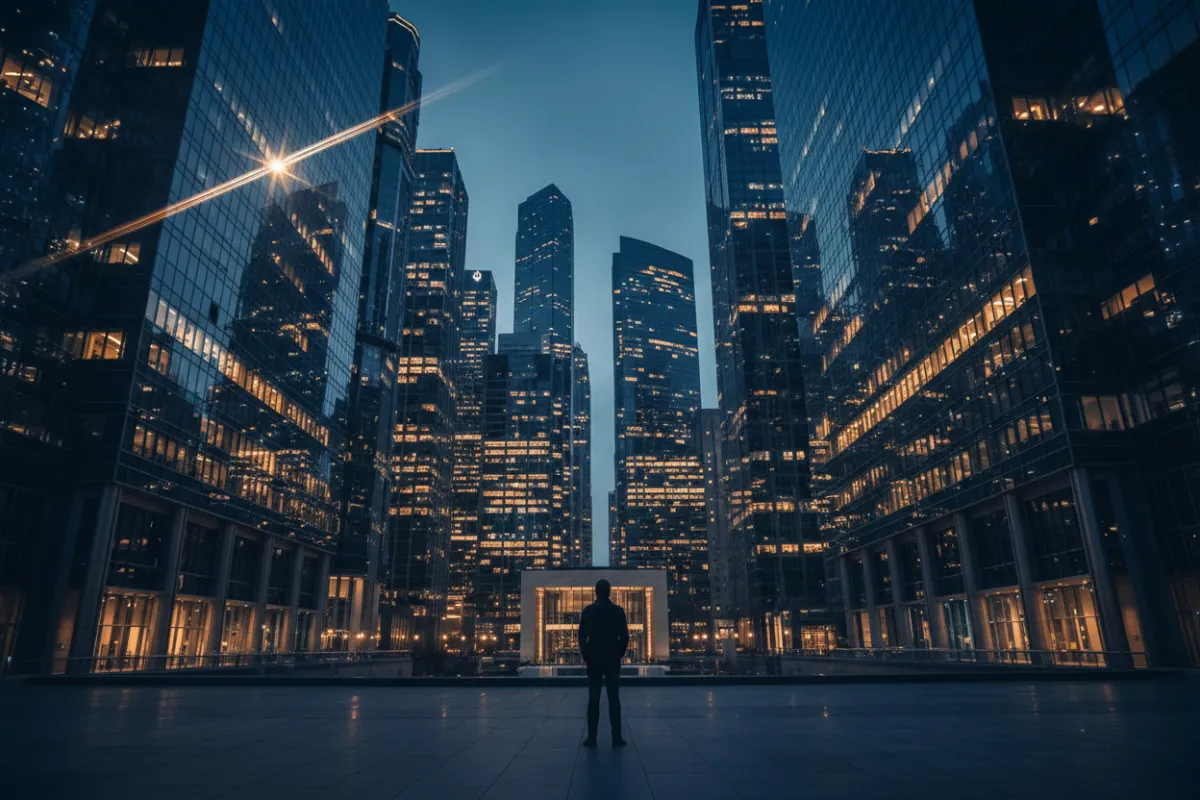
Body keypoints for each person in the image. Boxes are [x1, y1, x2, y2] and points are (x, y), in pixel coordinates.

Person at [577, 578, 629, 748]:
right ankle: (616, 737)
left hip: (594, 659)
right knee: (614, 699)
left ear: (595, 592)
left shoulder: (589, 611)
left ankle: (592, 738)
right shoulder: (618, 611)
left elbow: (581, 636)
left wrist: (586, 655)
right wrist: (618, 654)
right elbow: (625, 637)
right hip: (612, 658)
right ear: (610, 592)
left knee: (594, 699)